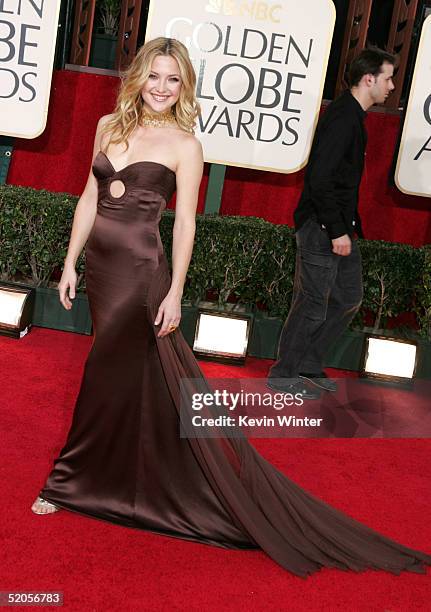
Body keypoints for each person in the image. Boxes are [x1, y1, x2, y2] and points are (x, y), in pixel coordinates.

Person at [31, 38, 431, 577]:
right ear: (140, 75)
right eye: (155, 75)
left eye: (174, 80)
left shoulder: (184, 144)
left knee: (103, 371)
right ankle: (116, 475)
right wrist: (72, 261)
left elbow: (187, 223)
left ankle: (70, 481)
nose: (161, 87)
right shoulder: (107, 125)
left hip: (144, 274)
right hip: (101, 272)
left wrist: (174, 292)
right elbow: (88, 196)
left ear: (184, 86)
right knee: (125, 376)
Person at [268, 48, 396, 400]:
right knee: (312, 301)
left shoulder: (353, 116)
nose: (391, 85)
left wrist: (346, 227)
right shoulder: (343, 118)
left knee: (348, 298)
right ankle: (283, 373)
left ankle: (308, 362)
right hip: (322, 226)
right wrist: (336, 229)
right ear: (369, 78)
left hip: (341, 225)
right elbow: (320, 179)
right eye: (387, 77)